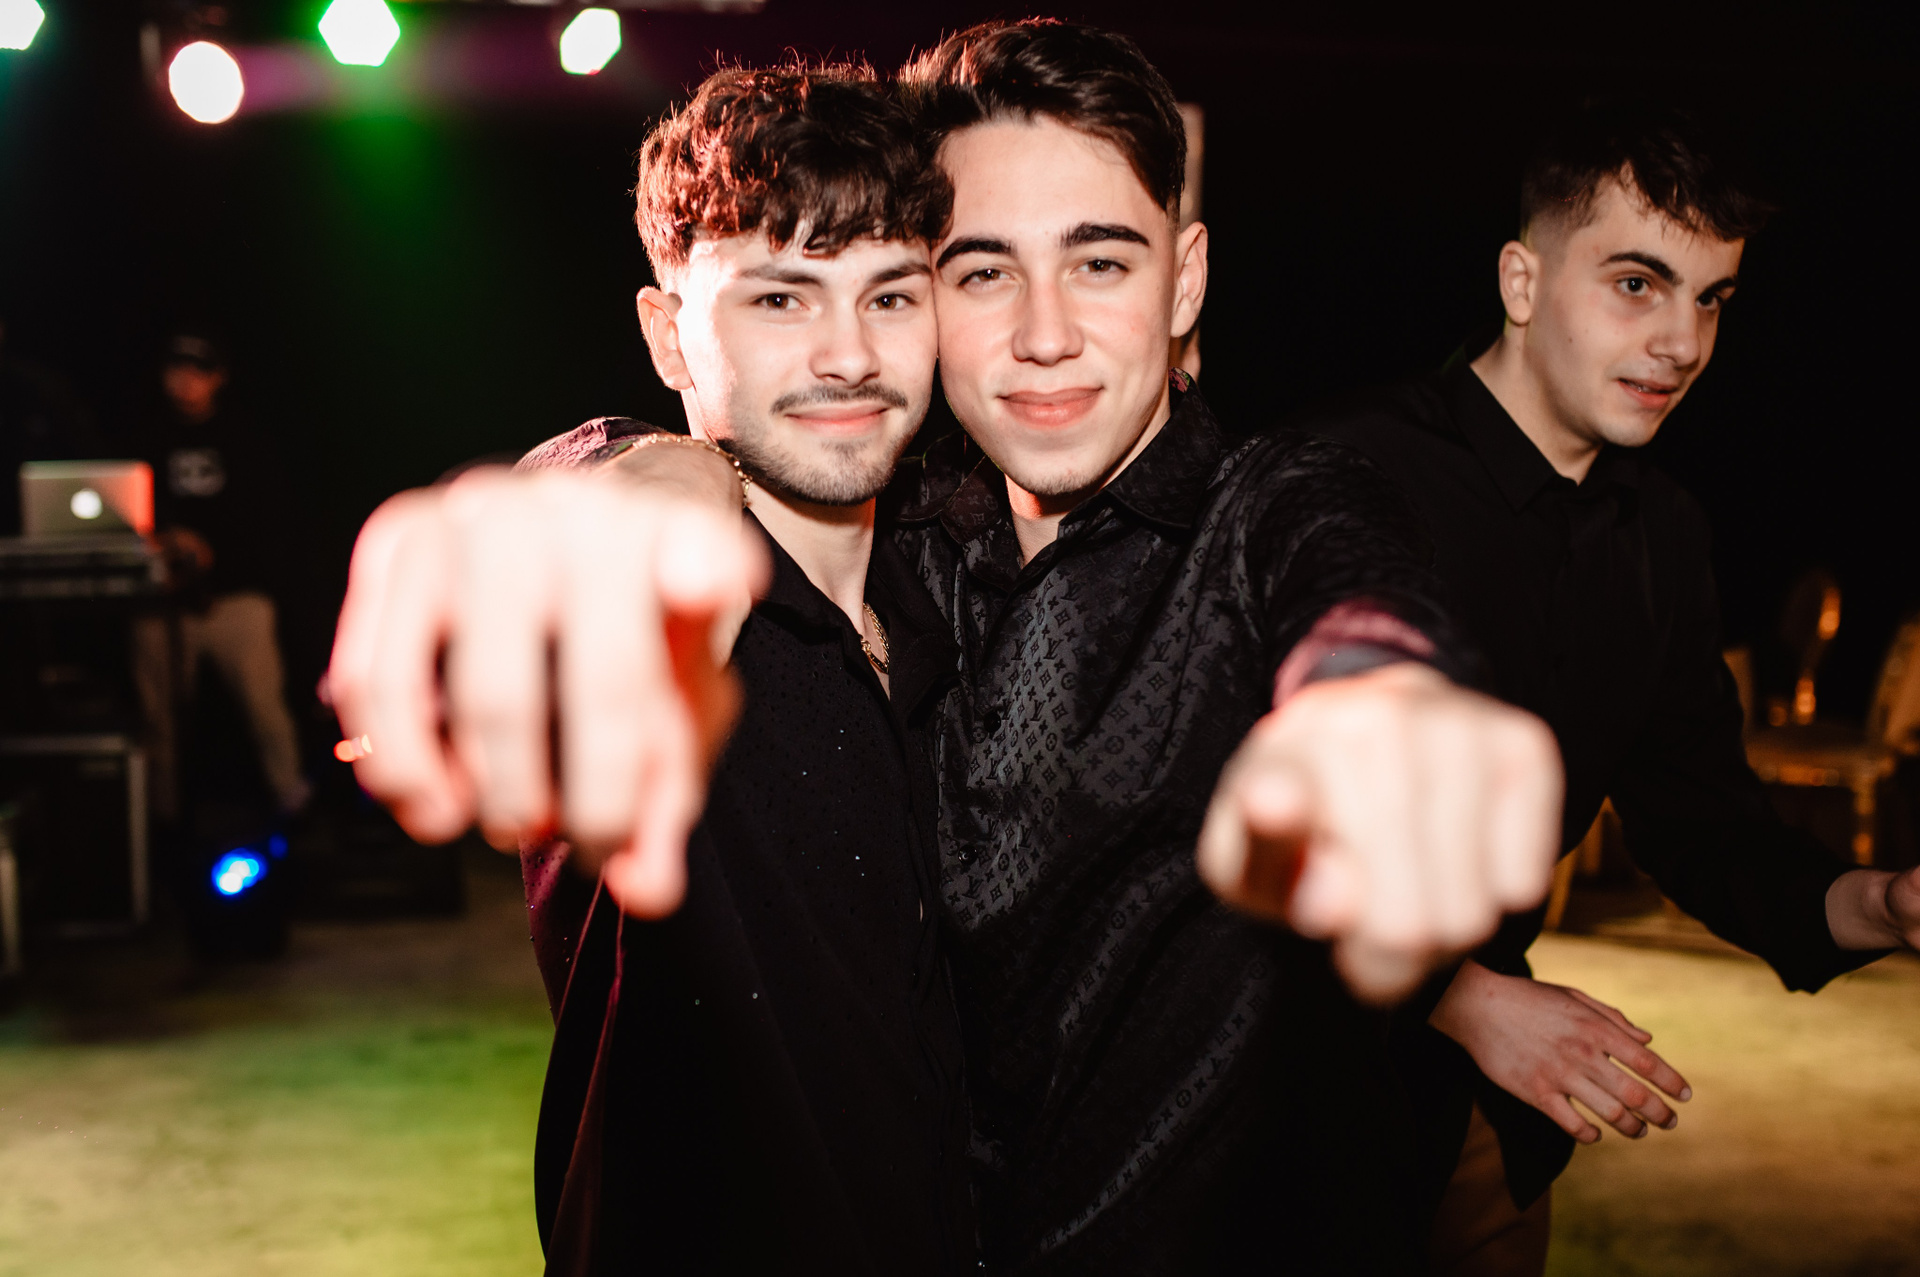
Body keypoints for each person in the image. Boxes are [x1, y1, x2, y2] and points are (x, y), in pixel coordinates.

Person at [327, 22, 1565, 1275]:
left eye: (1099, 261)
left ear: (1185, 281)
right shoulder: (875, 563)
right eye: (980, 273)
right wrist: (633, 474)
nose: (1044, 333)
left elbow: (1349, 593)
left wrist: (1381, 705)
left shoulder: (1261, 514)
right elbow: (589, 583)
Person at [1303, 104, 1920, 1276]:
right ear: (1521, 280)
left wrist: (1880, 901)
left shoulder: (1662, 535)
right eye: (1639, 284)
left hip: (1480, 1121)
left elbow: (1705, 825)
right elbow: (1214, 802)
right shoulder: (1336, 475)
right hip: (1266, 1106)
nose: (1683, 342)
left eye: (1712, 299)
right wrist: (1459, 995)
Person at [469, 64, 975, 1273]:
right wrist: (633, 473)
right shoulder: (670, 595)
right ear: (667, 334)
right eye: (781, 298)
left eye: (889, 295)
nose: (849, 354)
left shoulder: (959, 588)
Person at [132, 333, 309, 823]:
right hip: (163, 602)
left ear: (219, 378)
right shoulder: (144, 437)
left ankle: (294, 807)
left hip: (236, 598)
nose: (186, 381)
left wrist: (216, 556)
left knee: (265, 709)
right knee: (158, 720)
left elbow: (273, 522)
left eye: (199, 371)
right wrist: (168, 541)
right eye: (177, 369)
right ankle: (160, 823)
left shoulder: (247, 439)